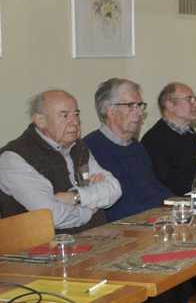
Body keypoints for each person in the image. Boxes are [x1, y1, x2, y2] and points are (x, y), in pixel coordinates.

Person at [0, 90, 120, 233]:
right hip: (44, 250)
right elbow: (52, 216)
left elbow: (114, 189)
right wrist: (91, 208)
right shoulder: (14, 158)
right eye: (64, 115)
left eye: (76, 114)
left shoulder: (78, 147)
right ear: (40, 121)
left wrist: (75, 197)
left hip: (94, 238)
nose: (74, 122)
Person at [83, 78, 172, 221]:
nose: (139, 113)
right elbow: (112, 208)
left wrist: (181, 204)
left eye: (140, 105)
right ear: (110, 111)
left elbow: (154, 189)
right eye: (131, 106)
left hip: (154, 221)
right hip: (125, 228)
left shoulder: (136, 147)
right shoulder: (89, 149)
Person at [142, 82, 196, 195]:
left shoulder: (189, 133)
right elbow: (160, 185)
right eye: (189, 99)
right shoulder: (154, 139)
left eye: (195, 99)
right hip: (174, 206)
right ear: (170, 105)